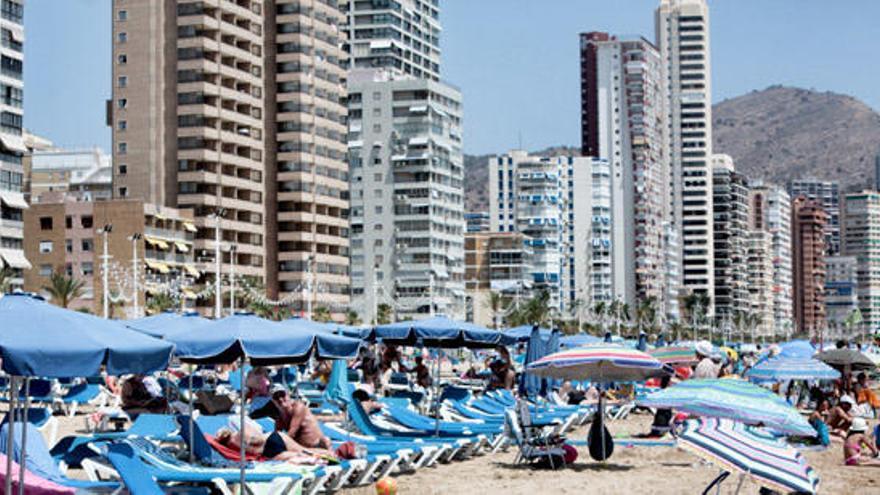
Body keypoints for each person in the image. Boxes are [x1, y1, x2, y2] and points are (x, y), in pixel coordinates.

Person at [272, 389, 336, 456]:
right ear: (273, 401)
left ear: (288, 395)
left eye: (282, 395)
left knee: (325, 440)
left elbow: (292, 432)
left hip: (317, 446)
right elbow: (276, 436)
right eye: (276, 397)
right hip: (302, 450)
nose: (280, 399)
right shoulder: (279, 417)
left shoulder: (298, 407)